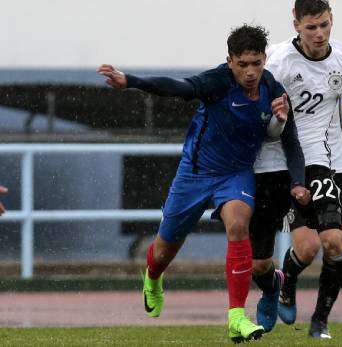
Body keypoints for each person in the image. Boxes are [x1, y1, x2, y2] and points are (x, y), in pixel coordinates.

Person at [97, 24, 309, 343]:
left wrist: (297, 181)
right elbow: (178, 87)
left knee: (238, 225)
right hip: (195, 173)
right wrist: (131, 82)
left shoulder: (272, 88)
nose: (250, 72)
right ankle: (153, 278)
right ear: (230, 61)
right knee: (164, 250)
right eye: (243, 64)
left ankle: (236, 316)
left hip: (236, 173)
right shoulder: (216, 81)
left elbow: (289, 138)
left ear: (265, 59)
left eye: (256, 63)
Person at [252, 1, 342, 346]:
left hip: (328, 161)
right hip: (281, 163)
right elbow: (256, 111)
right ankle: (281, 285)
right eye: (310, 27)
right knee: (301, 248)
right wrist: (274, 119)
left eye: (324, 25)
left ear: (332, 21)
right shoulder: (278, 61)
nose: (318, 33)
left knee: (334, 240)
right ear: (296, 24)